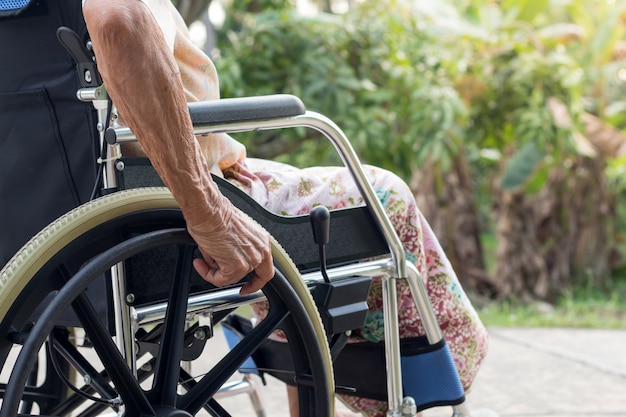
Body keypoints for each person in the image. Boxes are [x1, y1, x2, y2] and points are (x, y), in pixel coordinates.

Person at [1, 1, 489, 416]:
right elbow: (117, 21)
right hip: (156, 204)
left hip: (30, 233)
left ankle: (294, 338)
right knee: (381, 194)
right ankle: (425, 384)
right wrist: (209, 212)